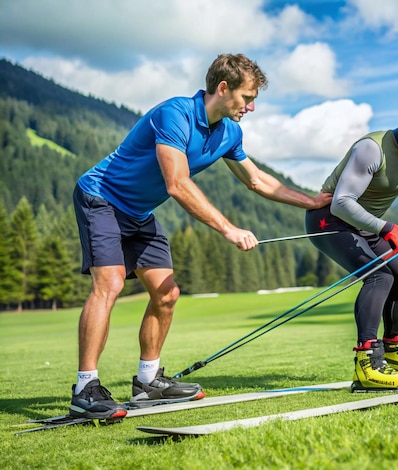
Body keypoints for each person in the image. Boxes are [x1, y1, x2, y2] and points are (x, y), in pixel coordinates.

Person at [71, 53, 332, 419]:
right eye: (247, 97)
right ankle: (85, 388)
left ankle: (148, 382)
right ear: (223, 89)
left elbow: (257, 180)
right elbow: (176, 184)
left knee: (167, 294)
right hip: (101, 198)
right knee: (110, 285)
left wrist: (313, 201)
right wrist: (228, 228)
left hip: (139, 213)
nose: (251, 107)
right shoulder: (175, 114)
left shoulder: (229, 132)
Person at [305, 97, 398, 392]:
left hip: (364, 224)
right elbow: (341, 204)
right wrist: (387, 227)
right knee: (379, 275)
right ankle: (367, 363)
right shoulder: (371, 149)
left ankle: (394, 351)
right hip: (330, 221)